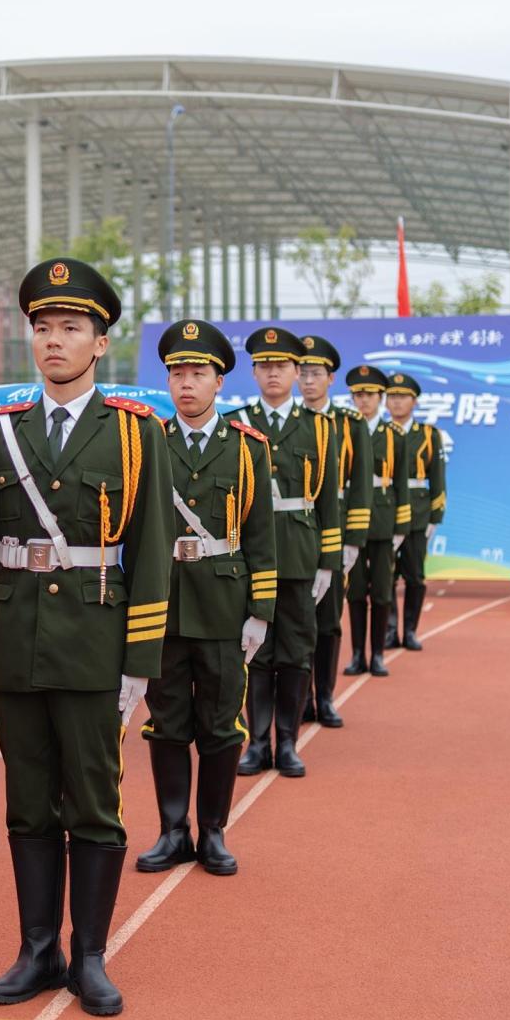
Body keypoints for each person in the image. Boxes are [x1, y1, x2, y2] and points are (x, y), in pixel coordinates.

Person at [0, 256, 171, 1019]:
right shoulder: (0, 431)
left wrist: (140, 663)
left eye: (71, 327)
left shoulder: (135, 434)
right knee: (28, 804)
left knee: (94, 805)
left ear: (100, 342)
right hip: (17, 642)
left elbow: (152, 550)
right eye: (43, 327)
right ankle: (38, 948)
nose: (54, 340)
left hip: (96, 644)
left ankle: (91, 955)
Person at [133, 320, 273, 878]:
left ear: (219, 382)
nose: (185, 383)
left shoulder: (246, 448)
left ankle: (213, 831)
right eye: (176, 373)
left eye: (197, 373)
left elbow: (261, 532)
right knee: (166, 723)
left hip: (223, 606)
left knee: (220, 725)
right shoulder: (148, 442)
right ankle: (173, 831)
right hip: (163, 605)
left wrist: (260, 611)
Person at [230, 328, 343, 775]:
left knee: (295, 650)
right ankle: (258, 743)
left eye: (281, 366)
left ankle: (289, 742)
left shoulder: (319, 428)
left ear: (297, 372)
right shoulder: (237, 424)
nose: (272, 373)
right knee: (256, 650)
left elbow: (329, 501)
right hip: (250, 556)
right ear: (254, 372)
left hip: (298, 554)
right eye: (264, 366)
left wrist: (329, 562)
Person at [300, 340, 368, 726]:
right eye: (303, 373)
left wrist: (353, 539)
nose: (309, 381)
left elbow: (360, 483)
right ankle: (300, 697)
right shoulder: (288, 420)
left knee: (327, 620)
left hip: (333, 529)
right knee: (295, 621)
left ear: (331, 378)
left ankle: (324, 696)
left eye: (316, 374)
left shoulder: (350, 424)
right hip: (294, 530)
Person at [341, 364, 397, 678]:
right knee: (355, 591)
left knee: (382, 591)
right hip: (352, 518)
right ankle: (357, 654)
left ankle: (377, 654)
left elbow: (401, 486)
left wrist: (402, 527)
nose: (364, 400)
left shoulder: (393, 435)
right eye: (358, 394)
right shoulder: (344, 429)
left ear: (381, 397)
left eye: (370, 394)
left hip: (383, 520)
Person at [384, 373, 444, 651]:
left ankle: (410, 630)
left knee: (415, 576)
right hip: (386, 511)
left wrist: (435, 515)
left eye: (403, 397)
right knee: (384, 576)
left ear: (415, 401)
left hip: (418, 515)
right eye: (392, 397)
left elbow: (438, 478)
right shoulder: (379, 433)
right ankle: (389, 629)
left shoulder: (428, 435)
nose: (397, 402)